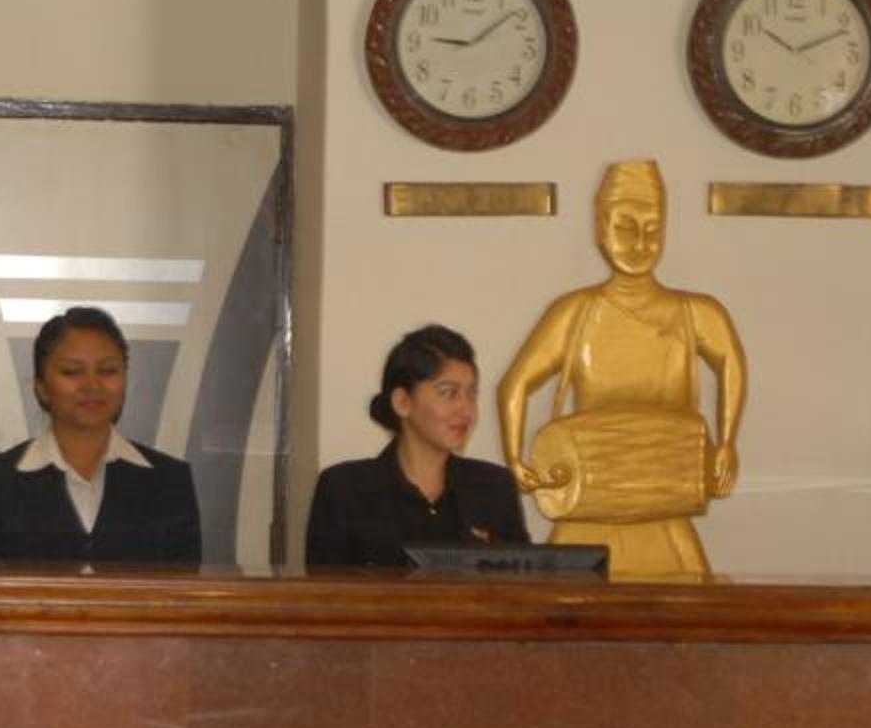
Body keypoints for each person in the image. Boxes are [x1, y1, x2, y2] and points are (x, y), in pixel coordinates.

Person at [493, 158, 748, 580]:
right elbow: (514, 384)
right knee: (569, 609)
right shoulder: (576, 312)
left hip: (665, 499)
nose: (639, 243)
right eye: (625, 228)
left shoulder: (695, 312)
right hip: (589, 499)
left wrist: (727, 444)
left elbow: (731, 361)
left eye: (652, 229)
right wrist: (514, 457)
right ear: (601, 228)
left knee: (686, 607)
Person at [0, 305, 201, 564]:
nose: (92, 385)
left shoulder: (170, 481)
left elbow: (185, 587)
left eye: (108, 370)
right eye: (72, 372)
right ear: (41, 387)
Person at [305, 324, 530, 566]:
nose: (466, 409)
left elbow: (523, 583)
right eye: (449, 393)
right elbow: (326, 587)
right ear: (403, 402)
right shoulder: (344, 491)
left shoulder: (494, 488)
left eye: (471, 394)